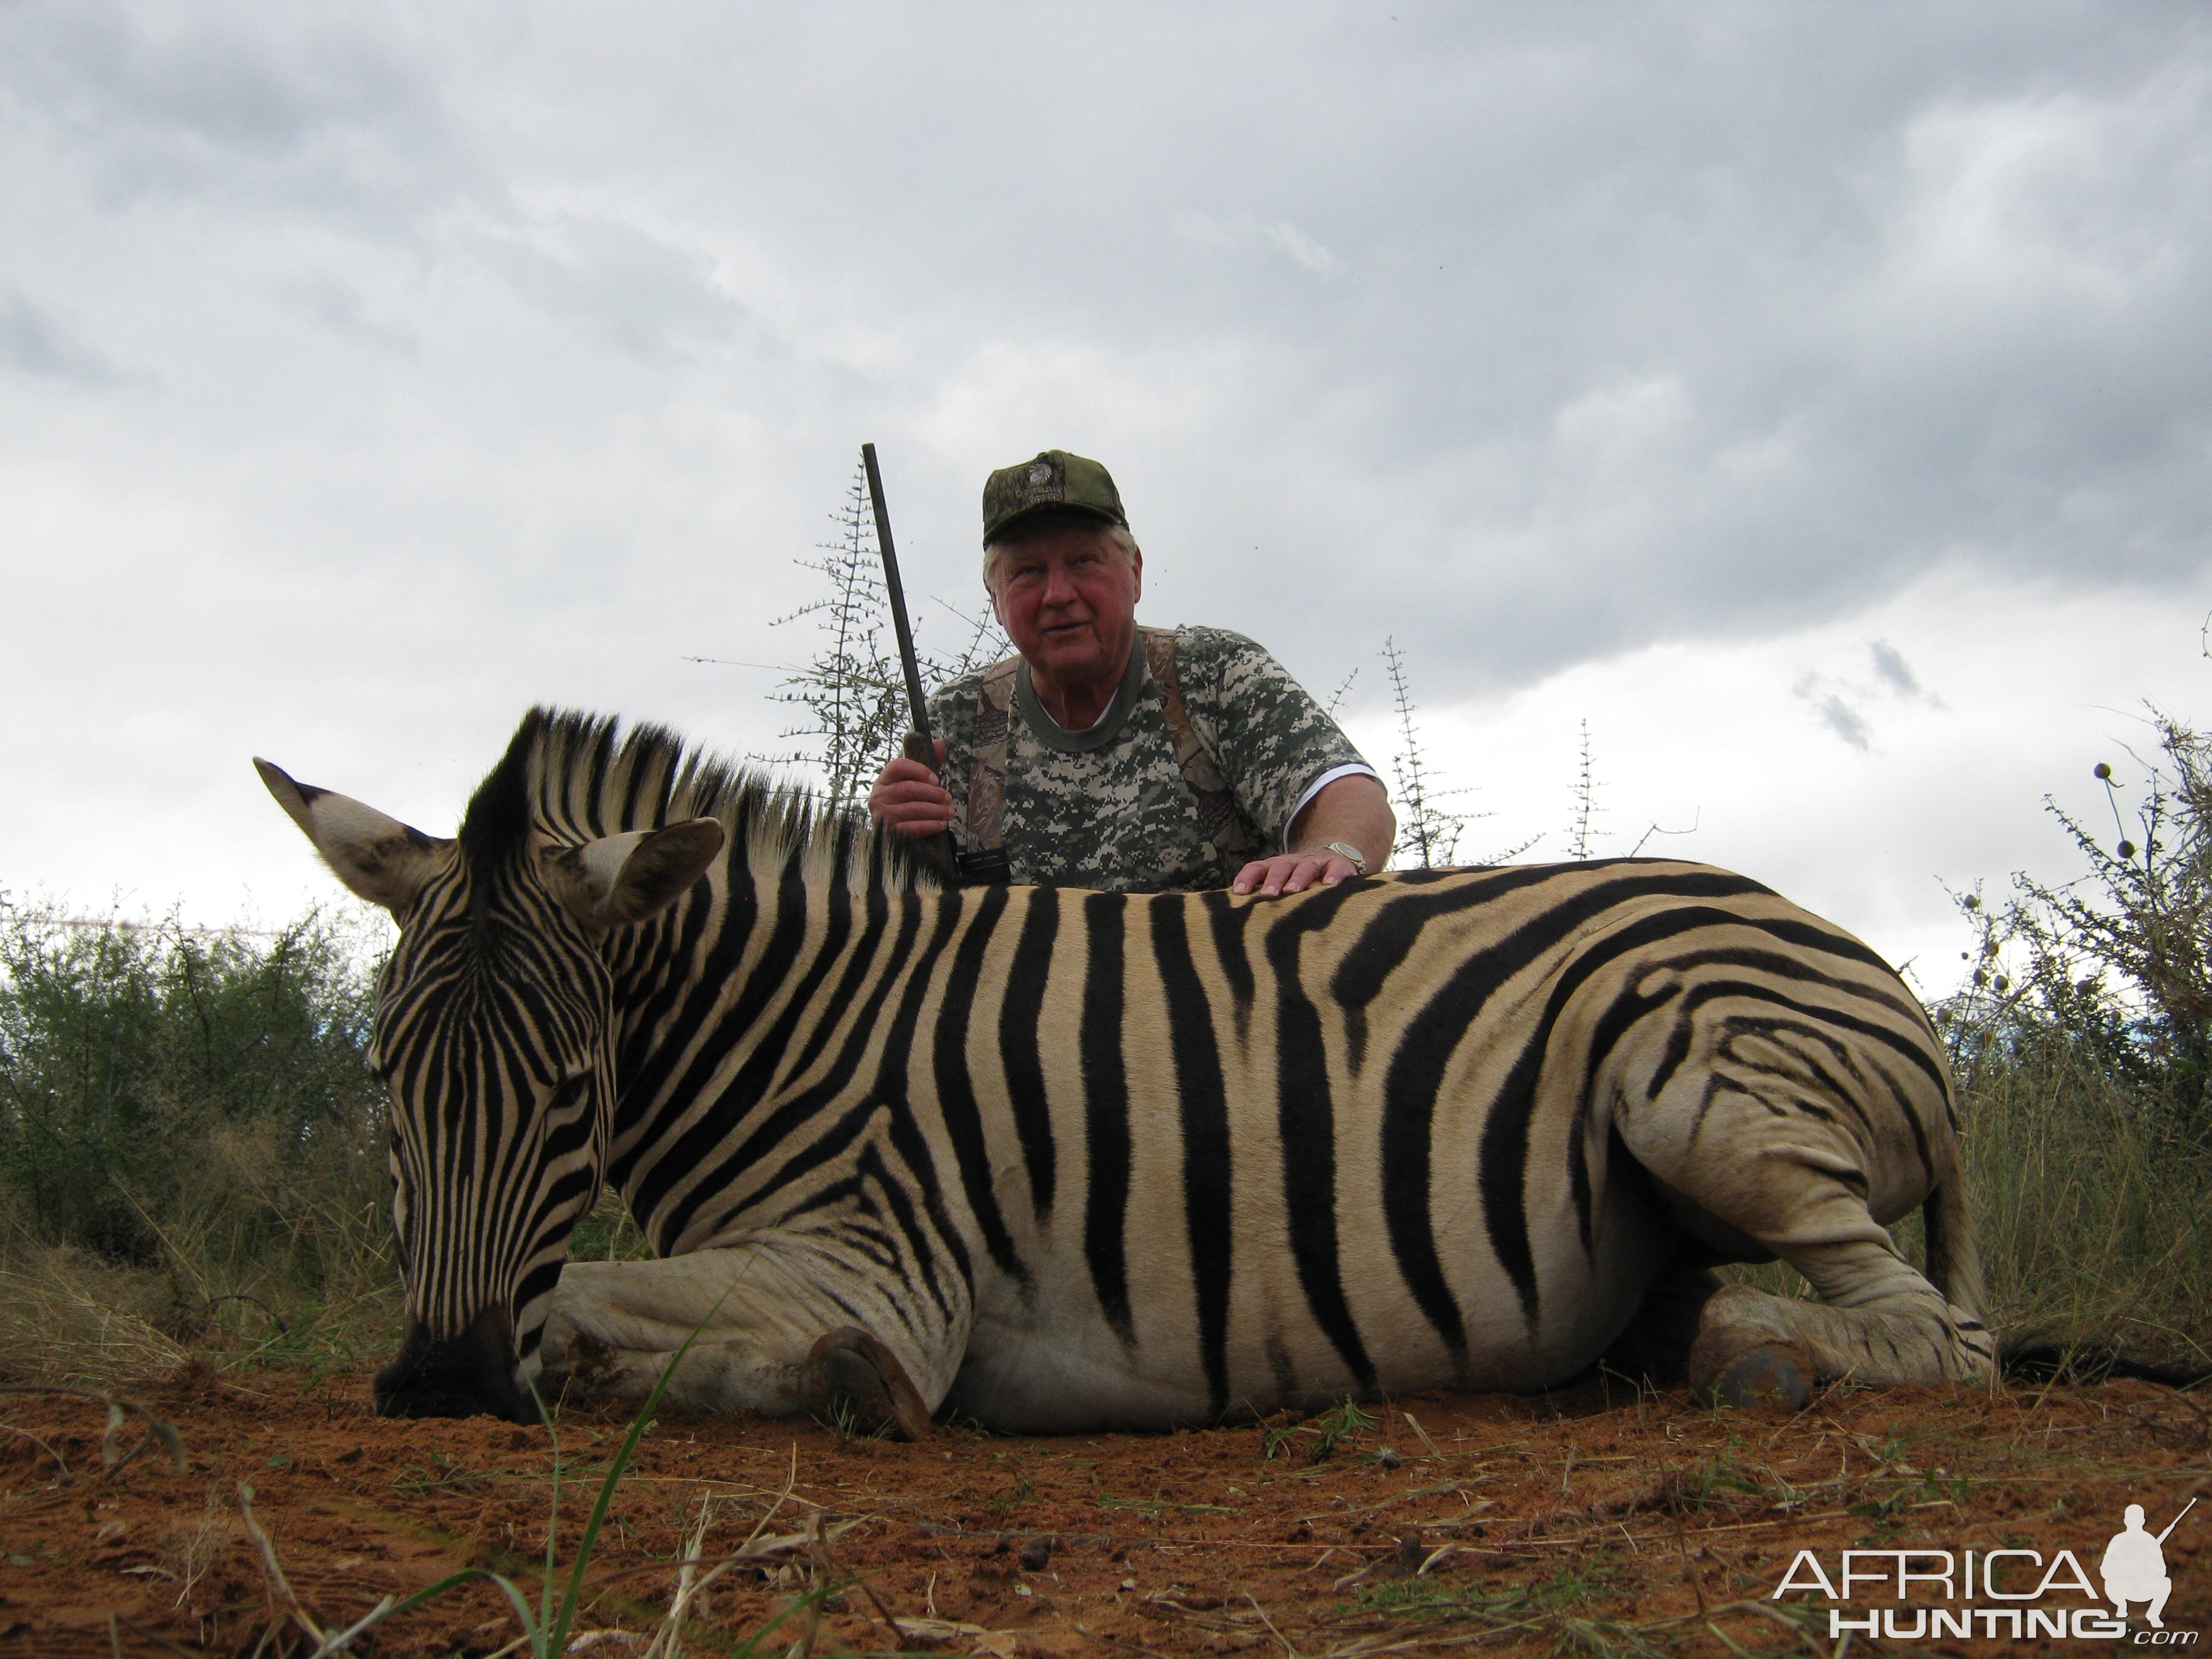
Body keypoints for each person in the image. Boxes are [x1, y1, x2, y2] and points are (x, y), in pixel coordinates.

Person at [868, 449, 1395, 895]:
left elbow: (1349, 794)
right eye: (1028, 572)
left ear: (1135, 573)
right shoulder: (956, 722)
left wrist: (1332, 851)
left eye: (1084, 562)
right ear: (996, 598)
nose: (1058, 595)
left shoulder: (1215, 674)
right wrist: (891, 839)